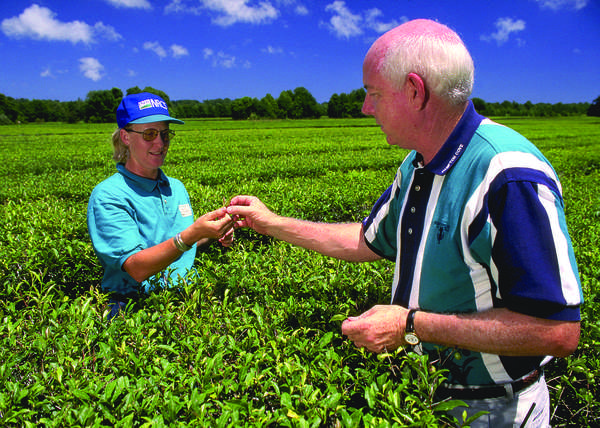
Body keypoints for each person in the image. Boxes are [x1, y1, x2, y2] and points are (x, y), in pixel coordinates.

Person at [226, 19, 583, 427]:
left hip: (494, 410)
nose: (365, 108)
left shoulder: (506, 175)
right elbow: (365, 240)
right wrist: (269, 222)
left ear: (414, 91)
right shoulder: (417, 165)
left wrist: (409, 325)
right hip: (423, 392)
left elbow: (555, 331)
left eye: (373, 93)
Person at [87, 92, 233, 318]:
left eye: (165, 134)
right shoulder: (109, 195)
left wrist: (212, 232)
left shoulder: (175, 187)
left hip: (184, 295)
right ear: (126, 137)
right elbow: (136, 267)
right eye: (149, 134)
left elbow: (177, 241)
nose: (160, 143)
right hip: (133, 305)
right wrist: (191, 234)